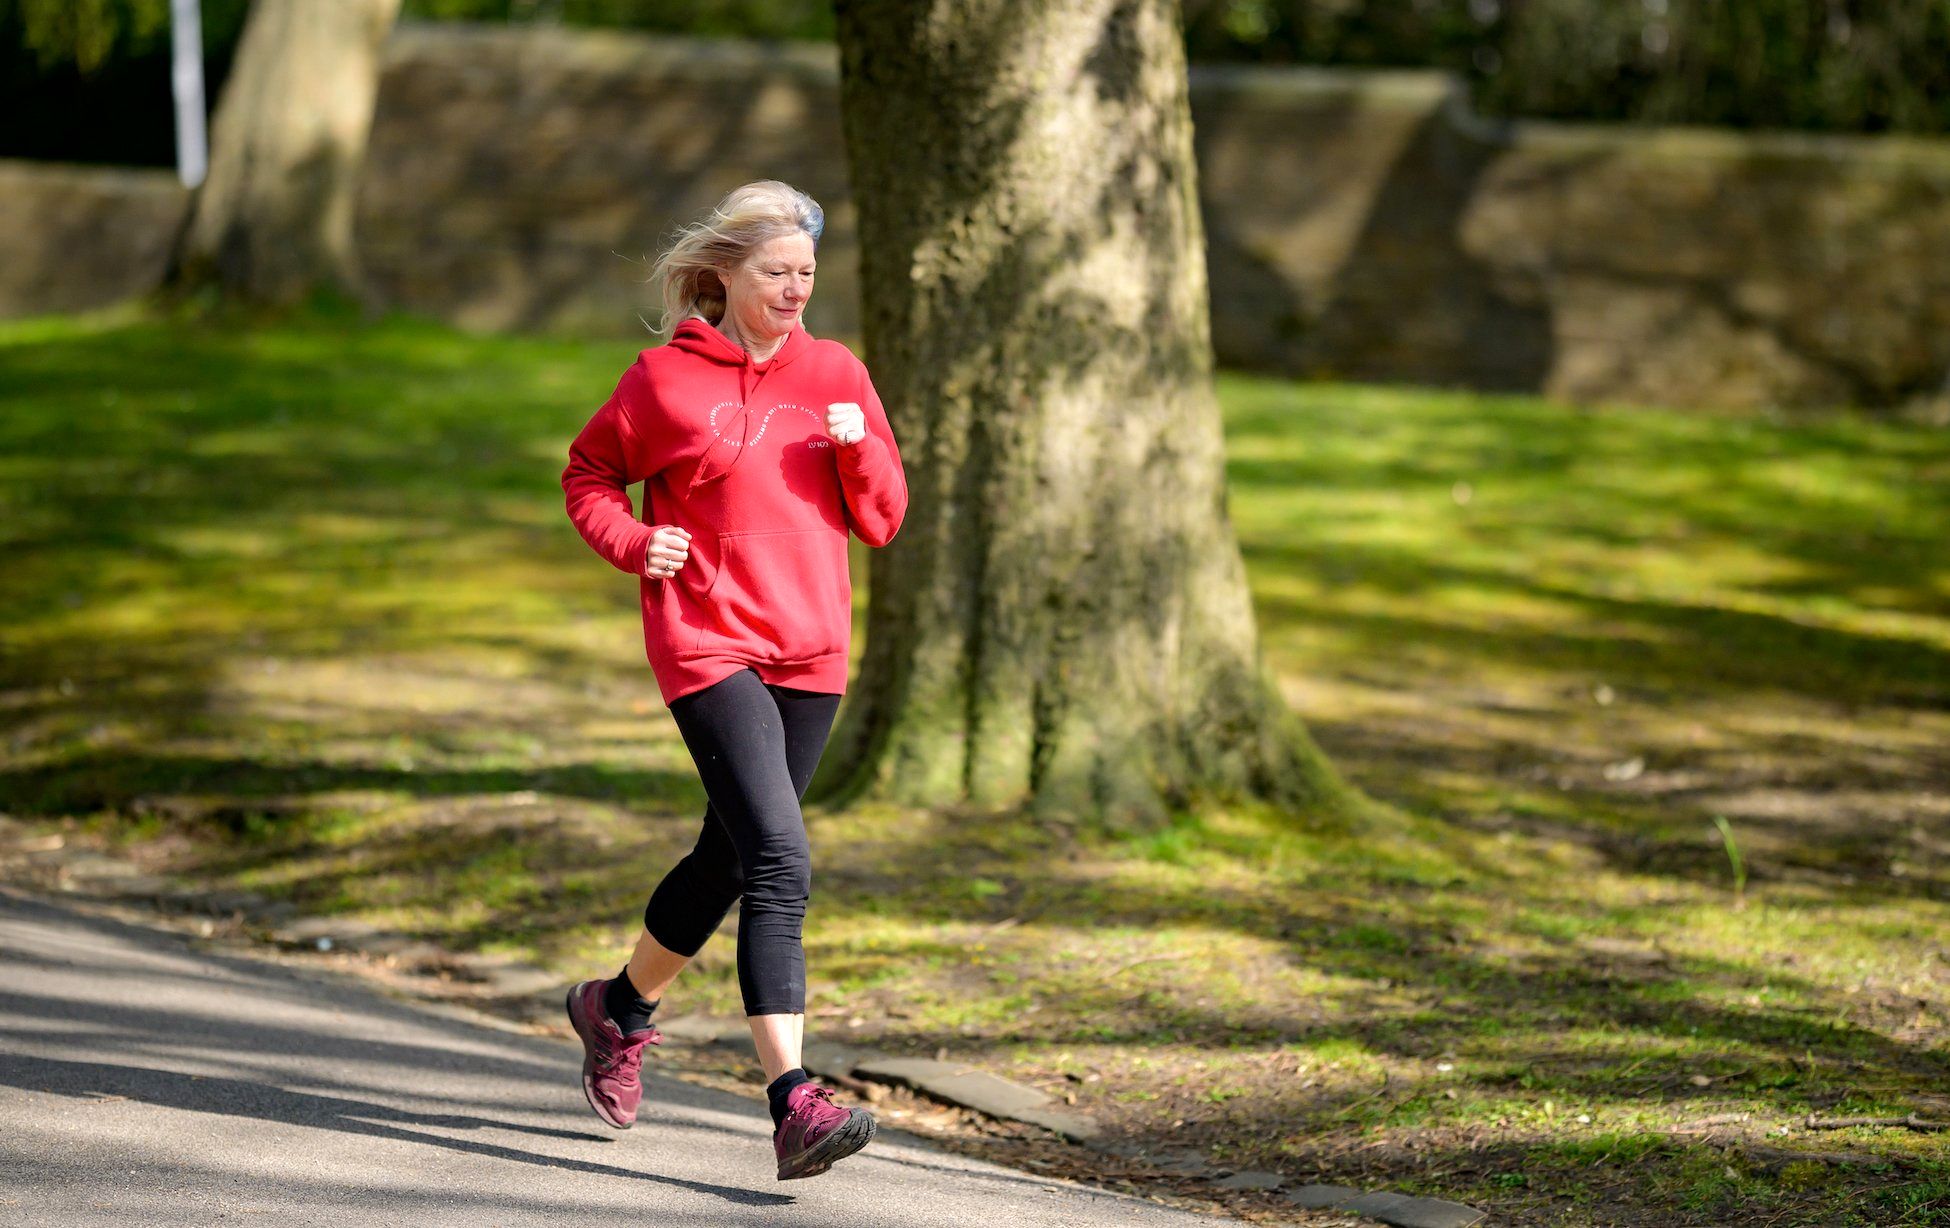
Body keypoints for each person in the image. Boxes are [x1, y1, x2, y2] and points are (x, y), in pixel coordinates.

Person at [558, 180, 907, 1181]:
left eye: (806, 271)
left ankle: (617, 1006)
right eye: (775, 272)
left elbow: (883, 518)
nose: (795, 288)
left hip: (811, 650)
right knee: (780, 861)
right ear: (724, 273)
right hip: (707, 641)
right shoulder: (663, 381)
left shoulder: (837, 372)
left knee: (728, 854)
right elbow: (588, 472)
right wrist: (633, 539)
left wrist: (859, 446)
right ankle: (794, 1099)